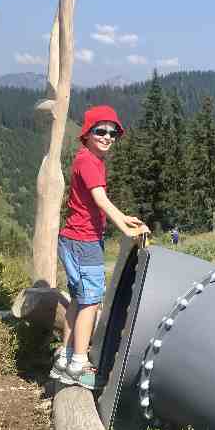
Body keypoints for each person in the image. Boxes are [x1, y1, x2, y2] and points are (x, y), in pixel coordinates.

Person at [49, 105, 149, 389]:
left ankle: (64, 357)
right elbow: (100, 199)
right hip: (84, 242)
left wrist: (122, 218)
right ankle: (79, 365)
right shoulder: (89, 162)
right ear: (87, 134)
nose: (107, 137)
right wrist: (126, 227)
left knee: (79, 299)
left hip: (72, 240)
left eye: (112, 132)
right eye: (100, 131)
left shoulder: (86, 158)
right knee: (91, 300)